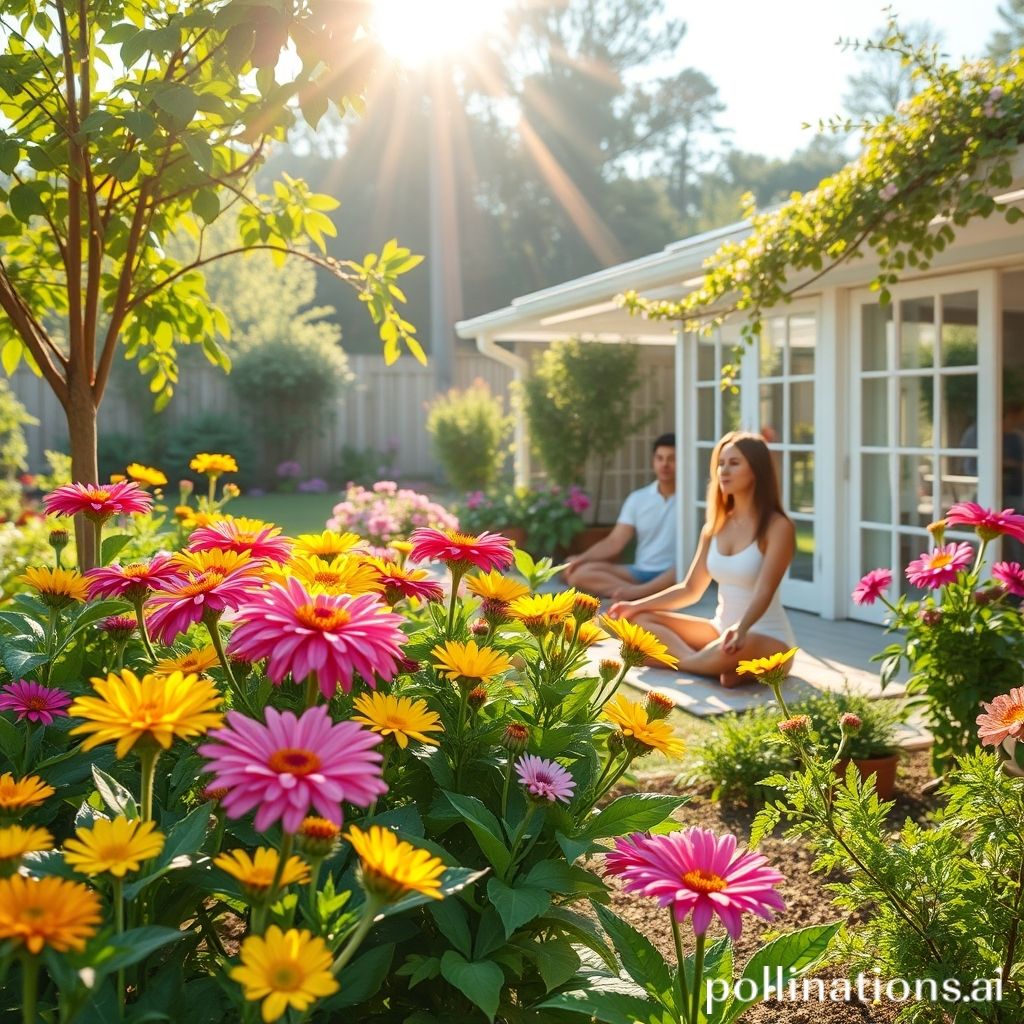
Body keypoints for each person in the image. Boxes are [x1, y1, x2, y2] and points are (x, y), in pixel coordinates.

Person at [608, 431, 796, 688]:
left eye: (734, 463)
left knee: (727, 649)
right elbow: (690, 589)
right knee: (639, 622)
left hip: (763, 635)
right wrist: (636, 605)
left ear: (756, 470)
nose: (724, 471)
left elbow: (765, 590)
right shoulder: (715, 526)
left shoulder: (778, 527)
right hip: (717, 631)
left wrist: (741, 629)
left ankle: (682, 661)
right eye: (721, 464)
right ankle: (708, 665)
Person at [563, 433, 677, 600]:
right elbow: (614, 542)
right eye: (660, 458)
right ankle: (644, 593)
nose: (665, 464)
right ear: (654, 461)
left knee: (682, 571)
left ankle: (637, 593)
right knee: (578, 574)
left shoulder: (694, 501)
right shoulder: (638, 498)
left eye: (671, 459)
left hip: (674, 574)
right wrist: (580, 559)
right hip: (639, 573)